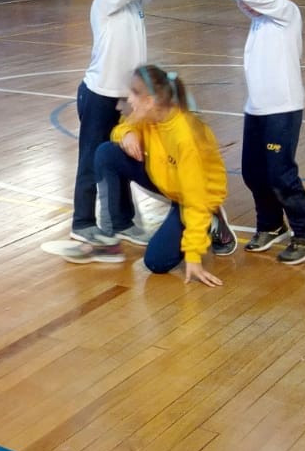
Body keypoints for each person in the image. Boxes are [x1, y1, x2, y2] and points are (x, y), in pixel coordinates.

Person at [67, 0, 217, 246]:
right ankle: (82, 222)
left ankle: (121, 221)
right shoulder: (106, 1)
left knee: (120, 156)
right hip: (99, 96)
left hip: (128, 99)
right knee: (91, 158)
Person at [200, 0, 305, 265]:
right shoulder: (260, 15)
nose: (243, 3)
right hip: (257, 108)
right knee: (253, 172)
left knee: (280, 174)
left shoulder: (284, 12)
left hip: (282, 109)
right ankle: (271, 224)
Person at [58, 64, 236, 288]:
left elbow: (195, 199)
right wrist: (128, 133)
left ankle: (212, 218)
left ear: (150, 100)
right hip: (169, 181)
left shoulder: (185, 137)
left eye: (134, 93)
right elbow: (120, 128)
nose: (128, 100)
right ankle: (115, 230)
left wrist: (193, 256)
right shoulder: (149, 115)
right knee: (107, 153)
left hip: (197, 197)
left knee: (156, 262)